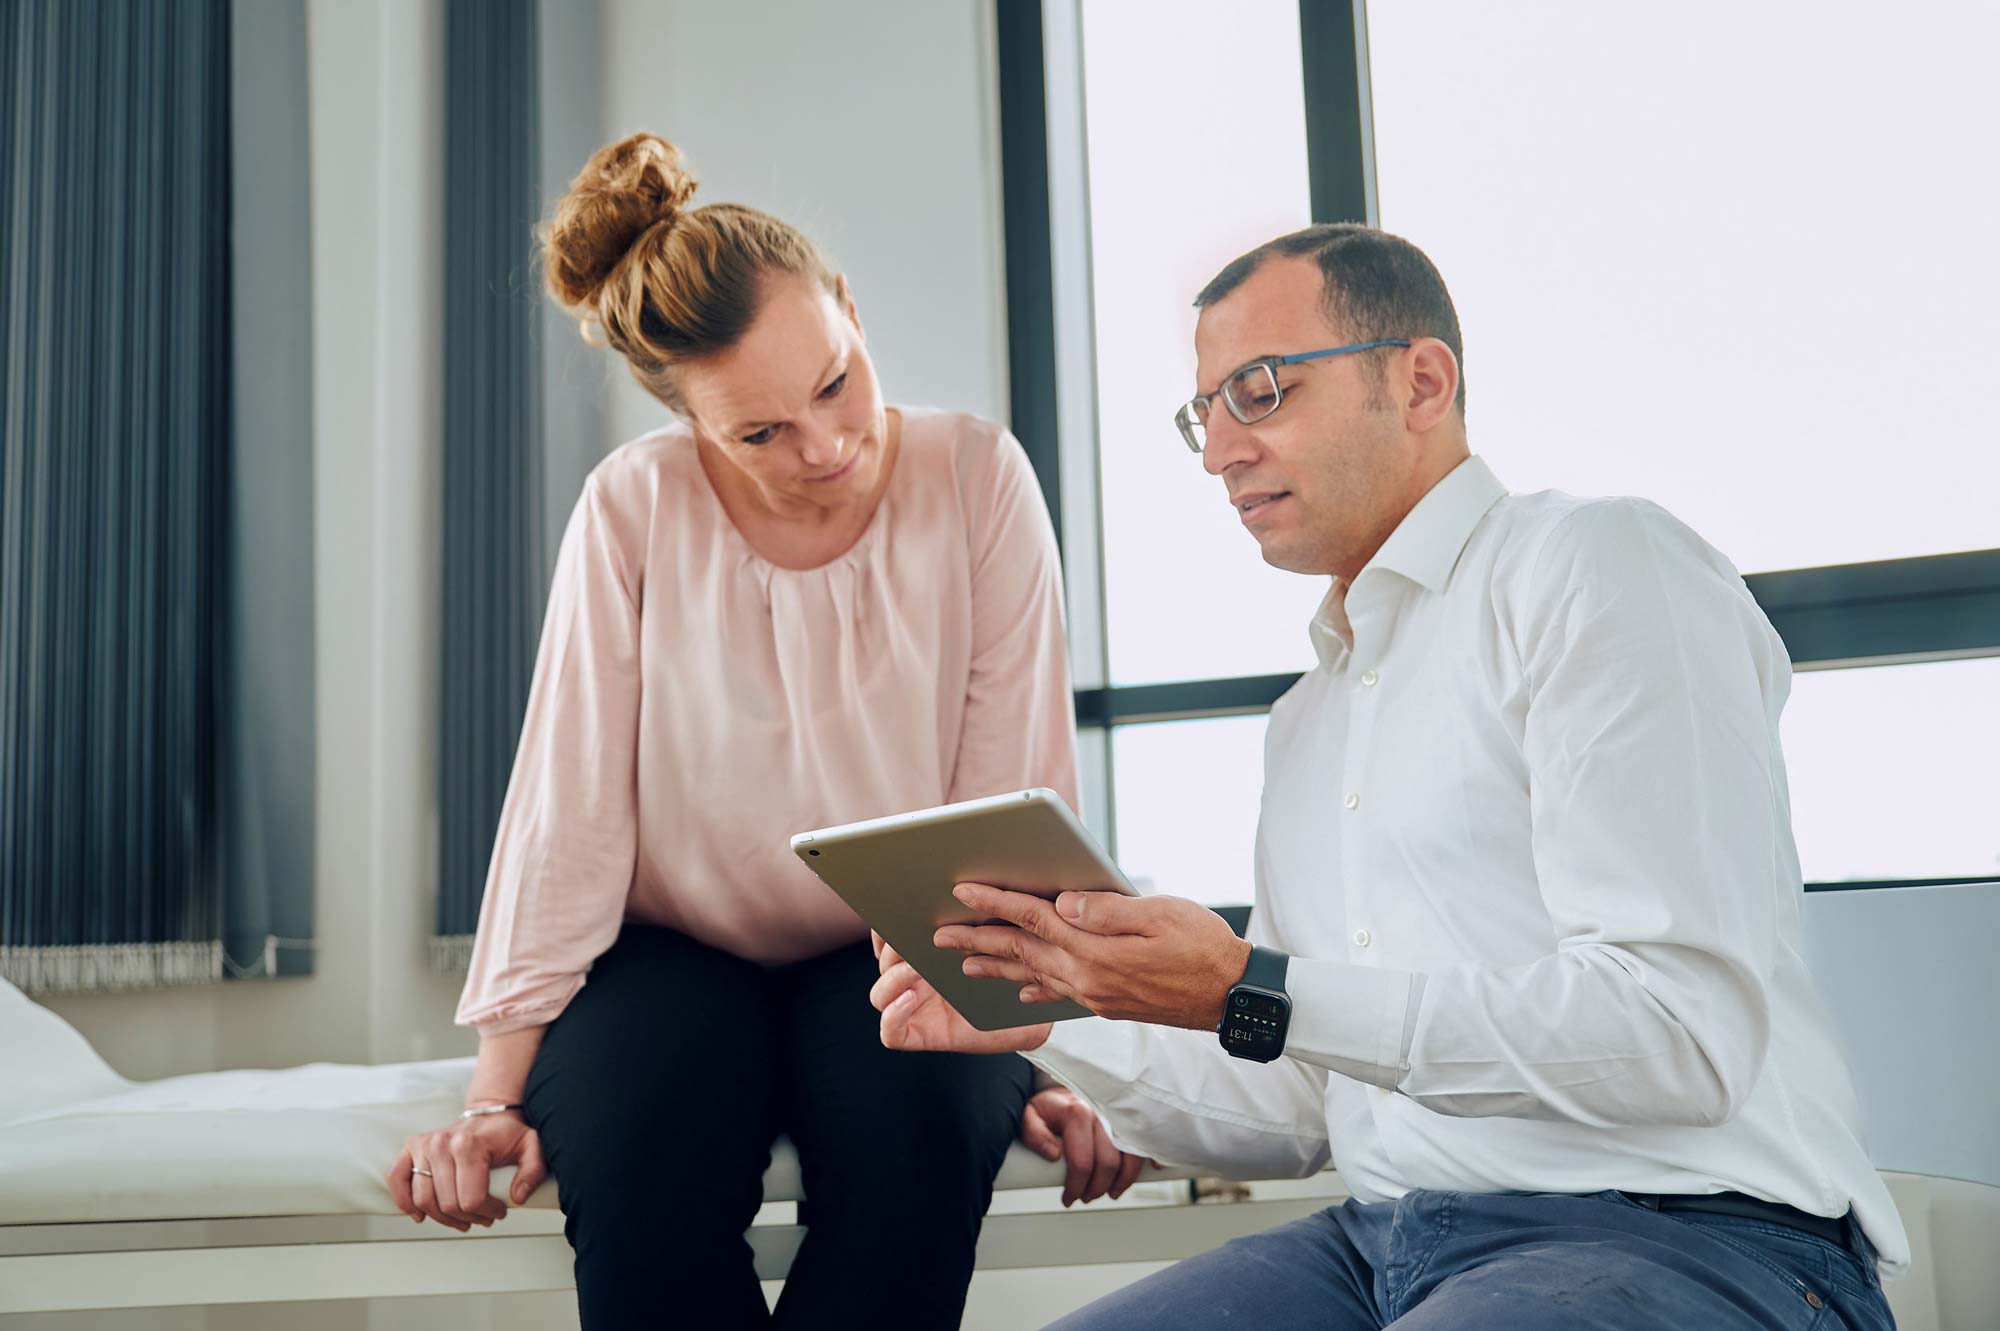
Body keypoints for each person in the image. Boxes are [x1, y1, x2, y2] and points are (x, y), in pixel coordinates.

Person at [872, 223, 1907, 1330]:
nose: (1220, 450)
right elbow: (1299, 1102)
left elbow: (1675, 1032)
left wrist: (1248, 984)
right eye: (1202, 414)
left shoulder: (1597, 567)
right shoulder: (1305, 722)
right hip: (1384, 1239)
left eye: (1258, 391)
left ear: (1419, 380)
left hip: (1691, 1235)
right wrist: (1056, 1007)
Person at [384, 133, 1141, 1330]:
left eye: (834, 383)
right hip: (670, 952)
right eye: (758, 433)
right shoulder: (633, 506)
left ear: (846, 307)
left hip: (902, 947)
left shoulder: (978, 477)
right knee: (639, 1178)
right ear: (685, 418)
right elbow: (566, 810)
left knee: (923, 1157)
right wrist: (491, 1094)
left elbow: (1014, 797)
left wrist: (1047, 1058)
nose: (824, 447)